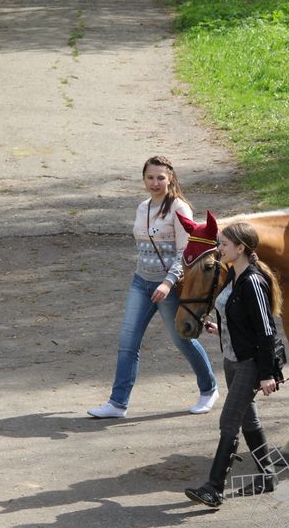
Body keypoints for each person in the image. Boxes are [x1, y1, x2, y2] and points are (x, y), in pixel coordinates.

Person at [87, 156, 218, 419]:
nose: (155, 183)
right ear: (144, 179)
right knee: (128, 342)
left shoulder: (179, 208)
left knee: (183, 340)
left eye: (160, 178)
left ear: (170, 178)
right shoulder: (143, 207)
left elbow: (185, 252)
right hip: (141, 282)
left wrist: (168, 283)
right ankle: (118, 403)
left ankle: (209, 389)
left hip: (167, 286)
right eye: (150, 178)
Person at [184, 221, 284, 508]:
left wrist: (267, 373)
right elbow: (240, 319)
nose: (220, 248)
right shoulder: (233, 275)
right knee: (248, 419)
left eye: (224, 244)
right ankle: (267, 476)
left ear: (241, 248)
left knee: (228, 421)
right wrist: (221, 328)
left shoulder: (253, 281)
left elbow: (266, 331)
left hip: (250, 363)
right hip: (232, 359)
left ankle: (214, 488)